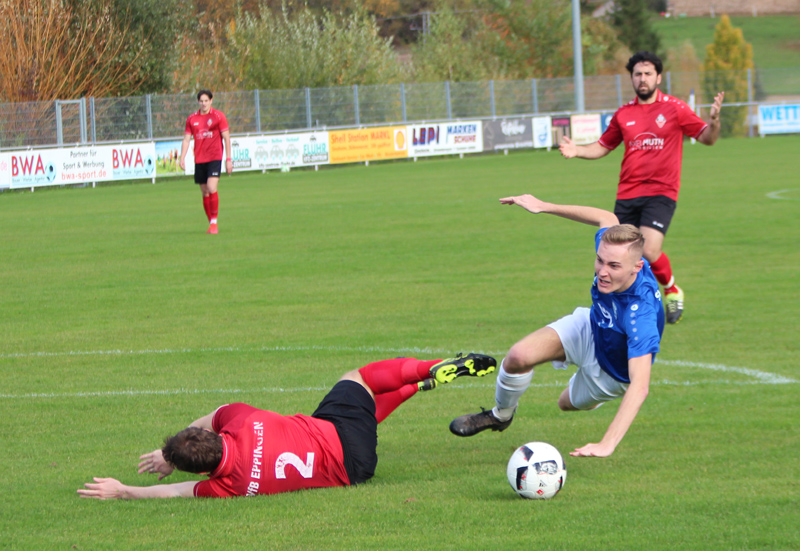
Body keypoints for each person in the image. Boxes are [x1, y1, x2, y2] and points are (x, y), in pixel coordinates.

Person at [77, 353, 497, 499]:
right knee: (359, 381)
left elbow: (170, 491)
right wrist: (168, 452)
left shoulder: (225, 487)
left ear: (202, 471)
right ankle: (428, 368)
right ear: (212, 436)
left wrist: (123, 490)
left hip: (355, 471)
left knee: (353, 412)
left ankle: (423, 383)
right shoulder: (242, 420)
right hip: (335, 433)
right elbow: (215, 411)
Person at [449, 194, 664, 458]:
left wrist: (607, 443)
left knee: (565, 403)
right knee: (518, 356)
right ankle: (500, 415)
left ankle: (592, 396)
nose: (602, 271)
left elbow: (640, 385)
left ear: (637, 267)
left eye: (614, 266)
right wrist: (543, 207)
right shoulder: (612, 248)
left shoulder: (640, 315)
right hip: (592, 326)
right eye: (600, 260)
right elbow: (606, 218)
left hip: (612, 373)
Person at [559, 51, 725, 324]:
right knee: (618, 254)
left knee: (647, 249)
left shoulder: (675, 108)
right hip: (627, 194)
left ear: (659, 77)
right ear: (632, 79)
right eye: (638, 74)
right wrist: (577, 149)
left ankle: (671, 289)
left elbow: (707, 138)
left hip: (661, 192)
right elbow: (603, 146)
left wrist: (715, 120)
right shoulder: (624, 114)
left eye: (648, 73)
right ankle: (626, 308)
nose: (643, 79)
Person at [180, 90, 233, 235]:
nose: (203, 103)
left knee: (211, 187)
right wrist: (182, 157)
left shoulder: (218, 116)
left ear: (211, 100)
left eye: (206, 100)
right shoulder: (191, 119)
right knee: (204, 192)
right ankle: (211, 223)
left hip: (214, 157)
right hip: (200, 159)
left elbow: (227, 138)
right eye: (201, 101)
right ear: (198, 102)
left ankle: (214, 223)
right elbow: (186, 139)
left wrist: (228, 159)